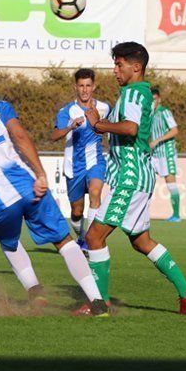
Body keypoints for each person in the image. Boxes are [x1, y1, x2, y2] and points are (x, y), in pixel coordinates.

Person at [0, 65, 109, 316]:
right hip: (26, 185)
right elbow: (21, 137)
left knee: (10, 242)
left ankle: (35, 293)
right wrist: (40, 173)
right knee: (64, 241)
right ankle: (97, 302)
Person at [81, 42, 186, 315]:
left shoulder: (135, 93)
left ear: (136, 67)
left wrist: (99, 125)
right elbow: (123, 129)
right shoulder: (133, 93)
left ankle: (99, 303)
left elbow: (131, 128)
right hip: (138, 176)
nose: (115, 70)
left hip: (130, 177)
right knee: (141, 242)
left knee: (94, 237)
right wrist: (101, 122)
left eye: (119, 65)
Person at [50, 68, 111, 248]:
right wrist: (70, 126)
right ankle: (82, 237)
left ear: (94, 86)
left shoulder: (105, 107)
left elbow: (115, 125)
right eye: (81, 86)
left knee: (95, 193)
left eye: (88, 85)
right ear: (75, 87)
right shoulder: (67, 111)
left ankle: (93, 242)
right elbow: (54, 136)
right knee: (76, 212)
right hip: (73, 167)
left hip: (95, 162)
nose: (85, 90)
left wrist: (103, 123)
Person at [149, 86, 181, 222]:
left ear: (159, 100)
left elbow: (174, 130)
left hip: (166, 153)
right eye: (151, 100)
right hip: (154, 154)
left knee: (170, 182)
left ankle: (176, 215)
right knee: (146, 179)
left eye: (155, 100)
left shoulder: (164, 112)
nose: (153, 102)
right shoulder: (149, 114)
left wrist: (157, 141)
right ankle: (141, 212)